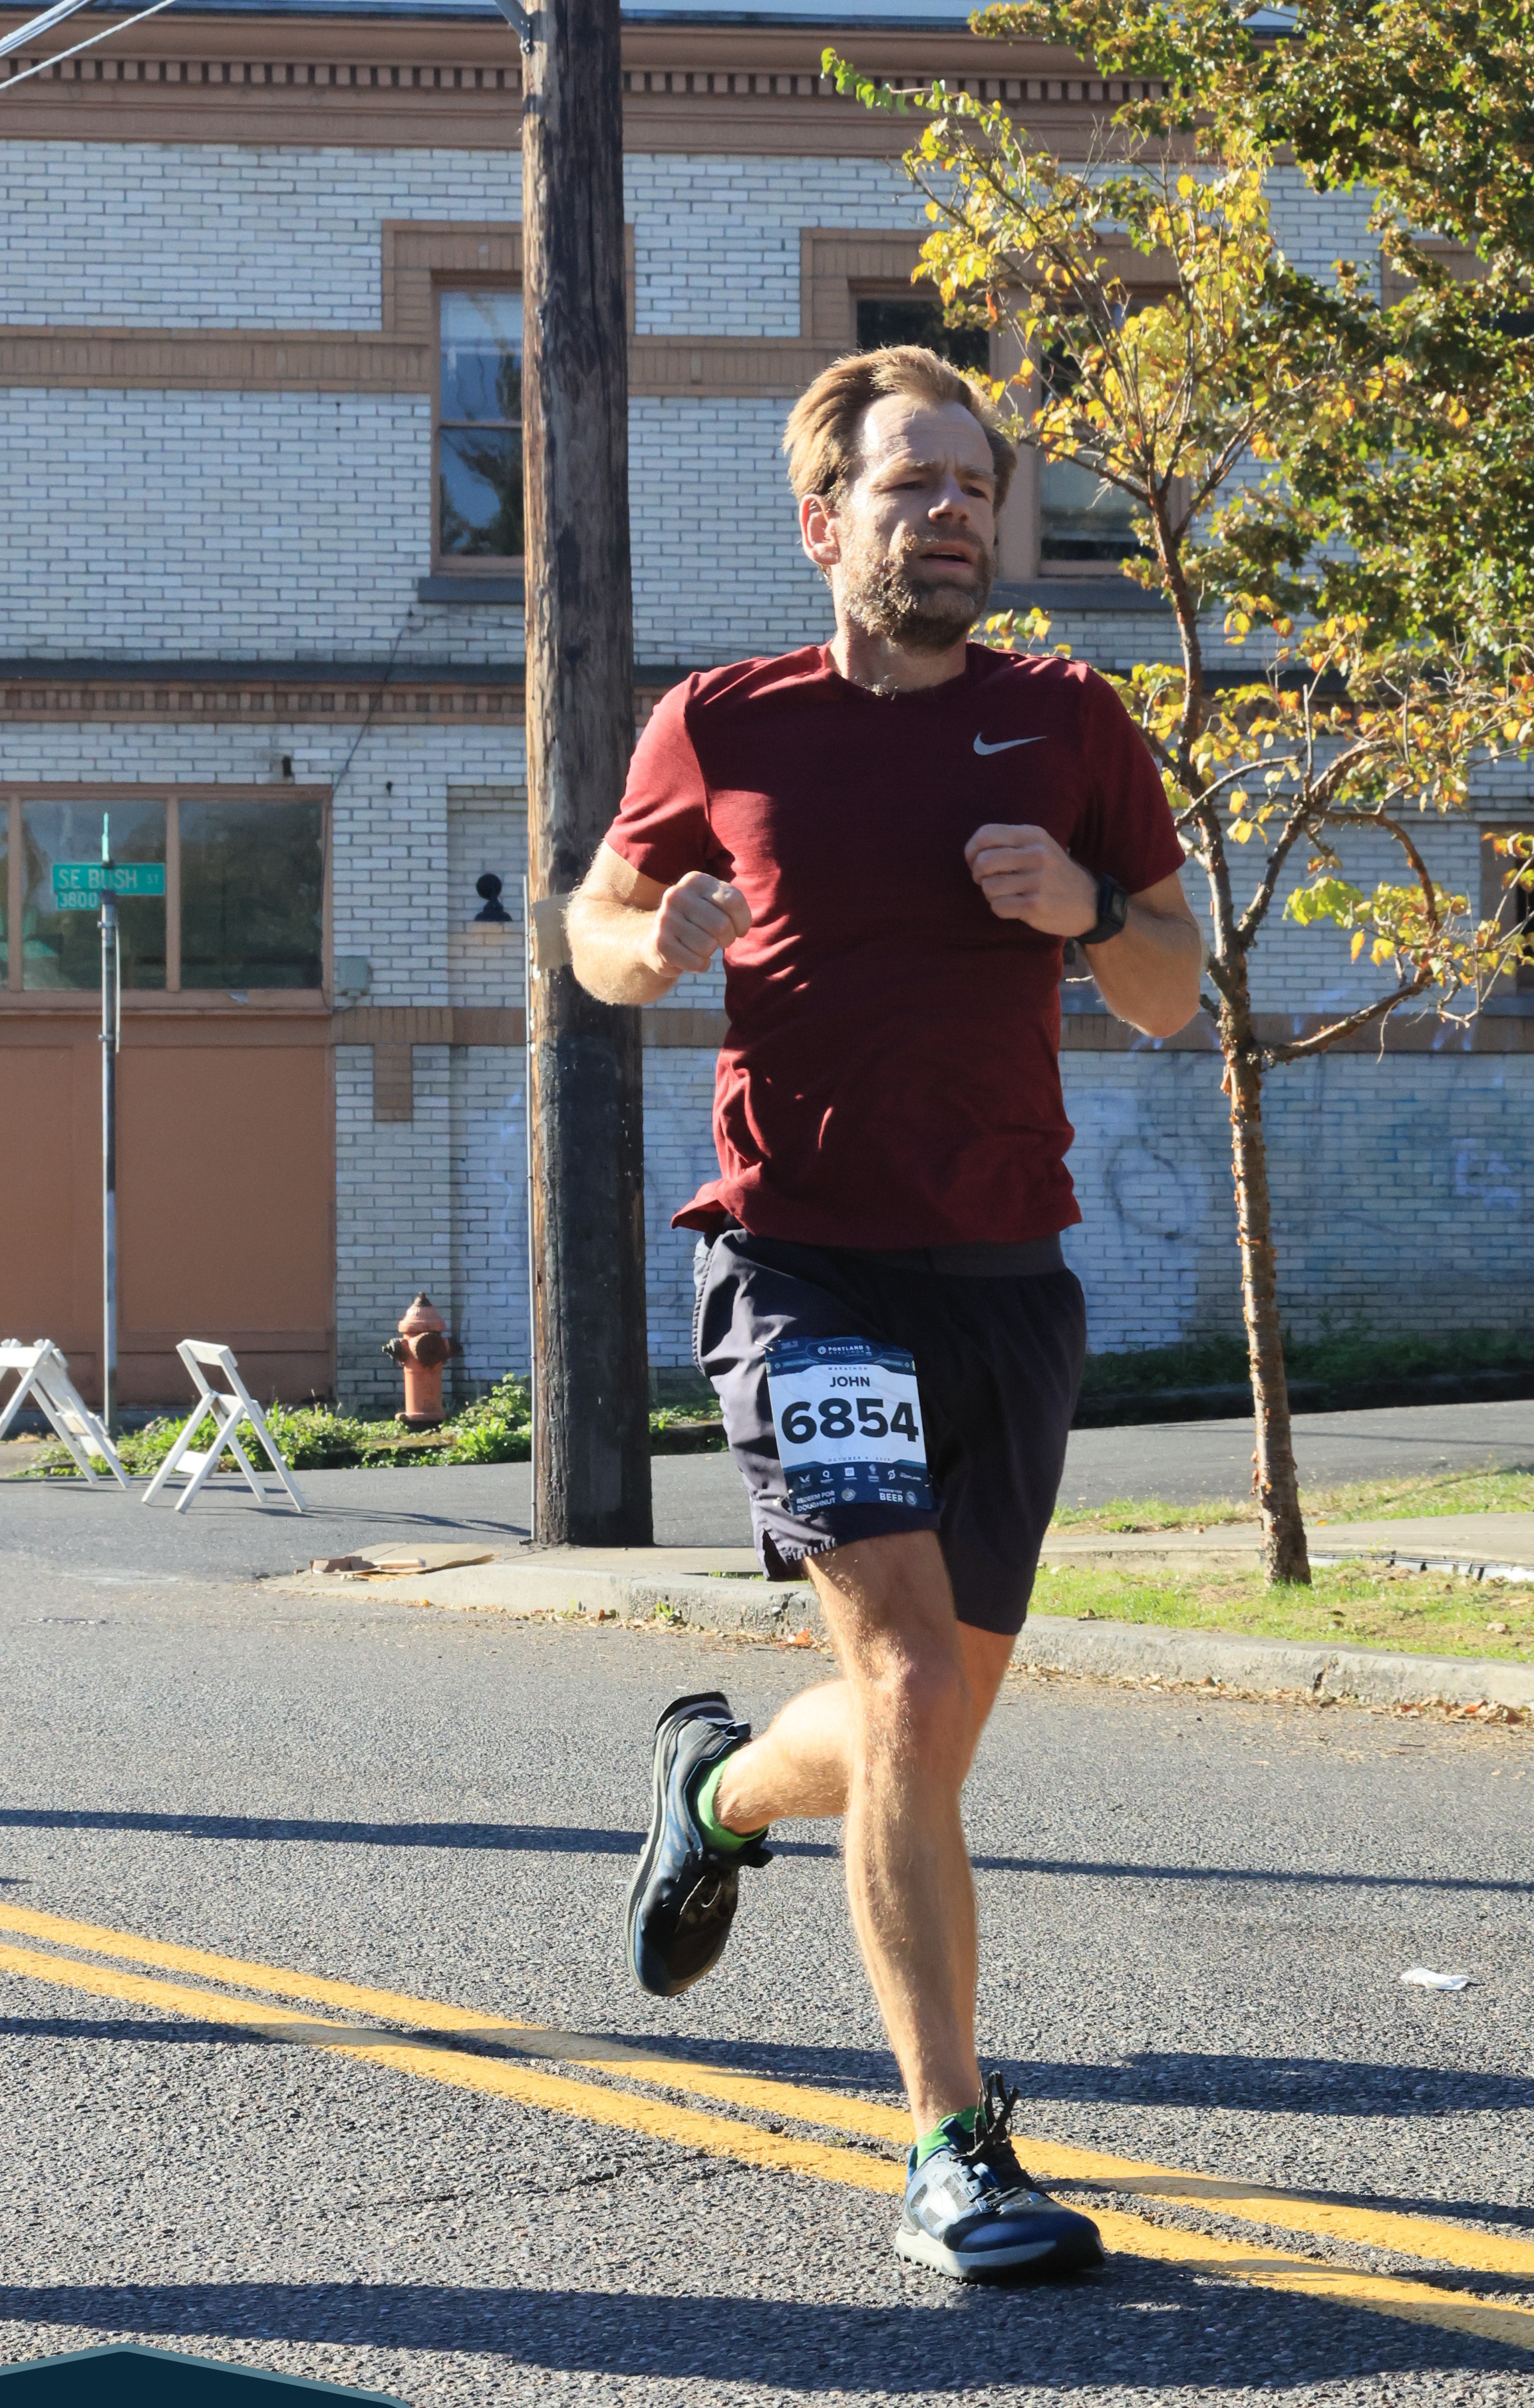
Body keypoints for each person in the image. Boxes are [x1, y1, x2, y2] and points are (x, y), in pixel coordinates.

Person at [567, 345, 1203, 2282]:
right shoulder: (722, 721)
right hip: (801, 1262)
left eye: (974, 485)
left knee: (922, 1722)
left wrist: (1083, 909)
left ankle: (715, 1789)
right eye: (910, 482)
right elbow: (593, 930)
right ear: (820, 517)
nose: (950, 514)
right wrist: (650, 936)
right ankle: (950, 2142)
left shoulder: (1069, 719)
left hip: (1005, 1273)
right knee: (914, 1688)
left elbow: (1170, 984)